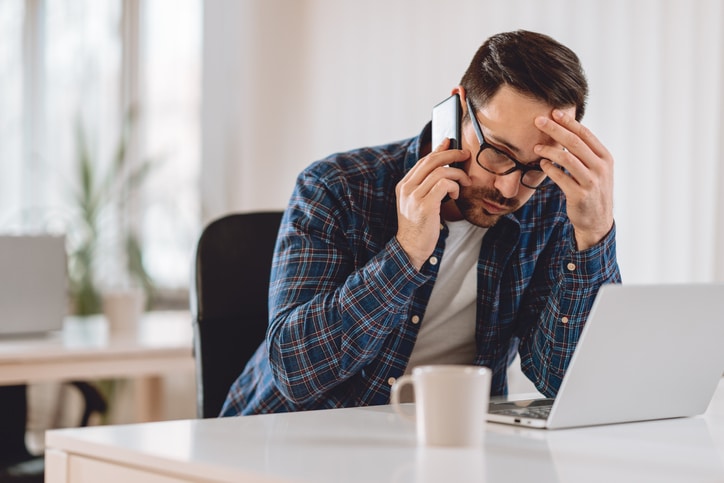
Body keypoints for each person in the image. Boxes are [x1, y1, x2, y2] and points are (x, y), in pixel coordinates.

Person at [221, 30, 621, 416]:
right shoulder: (337, 186)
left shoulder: (551, 205)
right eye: (498, 152)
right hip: (285, 441)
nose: (509, 186)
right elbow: (295, 372)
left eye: (536, 166)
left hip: (445, 442)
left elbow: (564, 379)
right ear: (458, 109)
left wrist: (594, 236)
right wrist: (407, 251)